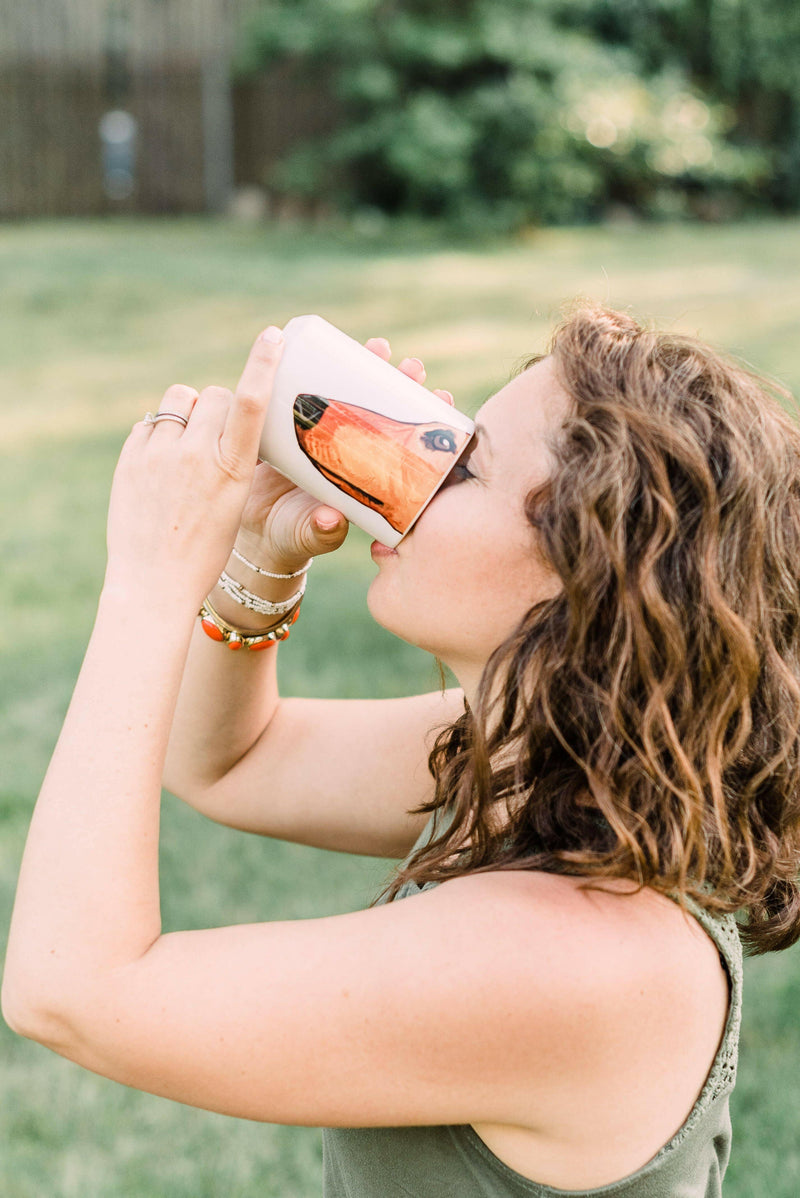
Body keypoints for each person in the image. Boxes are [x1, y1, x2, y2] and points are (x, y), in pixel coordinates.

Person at [4, 305, 800, 1197]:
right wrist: (260, 561)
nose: (405, 467)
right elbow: (231, 762)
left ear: (586, 586)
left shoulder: (578, 960)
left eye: (463, 464)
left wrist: (149, 581)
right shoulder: (540, 757)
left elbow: (71, 991)